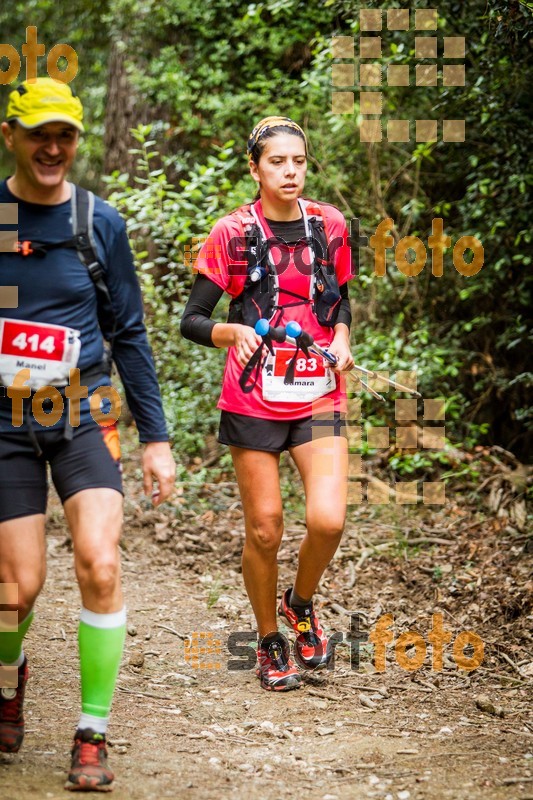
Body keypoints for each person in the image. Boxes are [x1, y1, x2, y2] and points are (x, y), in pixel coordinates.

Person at [0, 78, 175, 791]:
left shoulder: (97, 221)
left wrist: (156, 439)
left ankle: (91, 733)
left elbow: (128, 333)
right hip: (6, 421)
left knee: (100, 565)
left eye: (64, 135)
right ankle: (10, 683)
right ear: (10, 133)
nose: (52, 147)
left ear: (77, 140)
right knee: (16, 589)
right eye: (39, 133)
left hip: (84, 415)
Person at [181, 116, 354, 691]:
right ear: (255, 169)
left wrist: (344, 340)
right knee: (265, 528)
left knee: (328, 520)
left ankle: (299, 604)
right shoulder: (231, 232)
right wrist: (231, 334)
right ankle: (267, 639)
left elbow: (341, 299)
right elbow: (193, 320)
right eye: (277, 162)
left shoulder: (329, 225)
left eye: (299, 161)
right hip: (254, 396)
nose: (290, 171)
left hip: (319, 392)